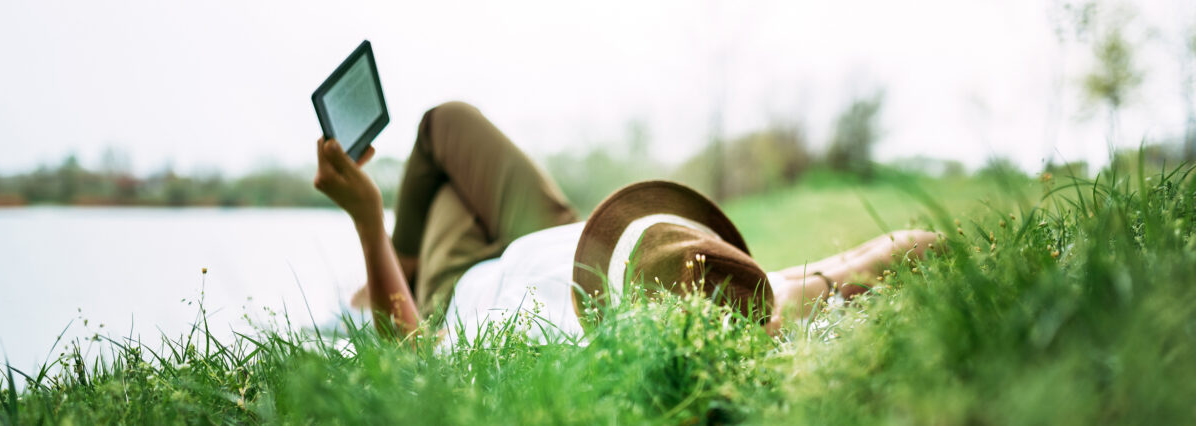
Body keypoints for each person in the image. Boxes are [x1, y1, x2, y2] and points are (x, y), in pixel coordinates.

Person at [313, 101, 937, 344]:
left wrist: (368, 219)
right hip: (563, 240)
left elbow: (416, 350)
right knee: (443, 125)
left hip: (466, 280)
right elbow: (897, 251)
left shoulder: (528, 340)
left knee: (437, 147)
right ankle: (385, 276)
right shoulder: (722, 285)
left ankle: (386, 280)